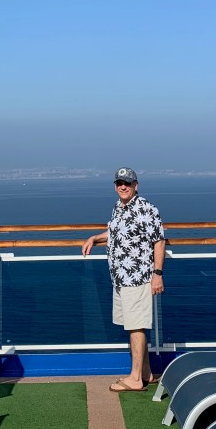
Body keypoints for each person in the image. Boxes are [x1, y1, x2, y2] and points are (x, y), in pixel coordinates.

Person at [81, 166, 166, 392]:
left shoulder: (146, 208)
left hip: (138, 277)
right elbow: (115, 232)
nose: (123, 186)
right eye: (119, 183)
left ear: (136, 185)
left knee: (136, 326)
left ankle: (135, 379)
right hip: (120, 278)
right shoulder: (119, 207)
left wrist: (157, 275)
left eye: (127, 183)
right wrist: (94, 238)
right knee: (132, 326)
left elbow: (159, 241)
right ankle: (146, 373)